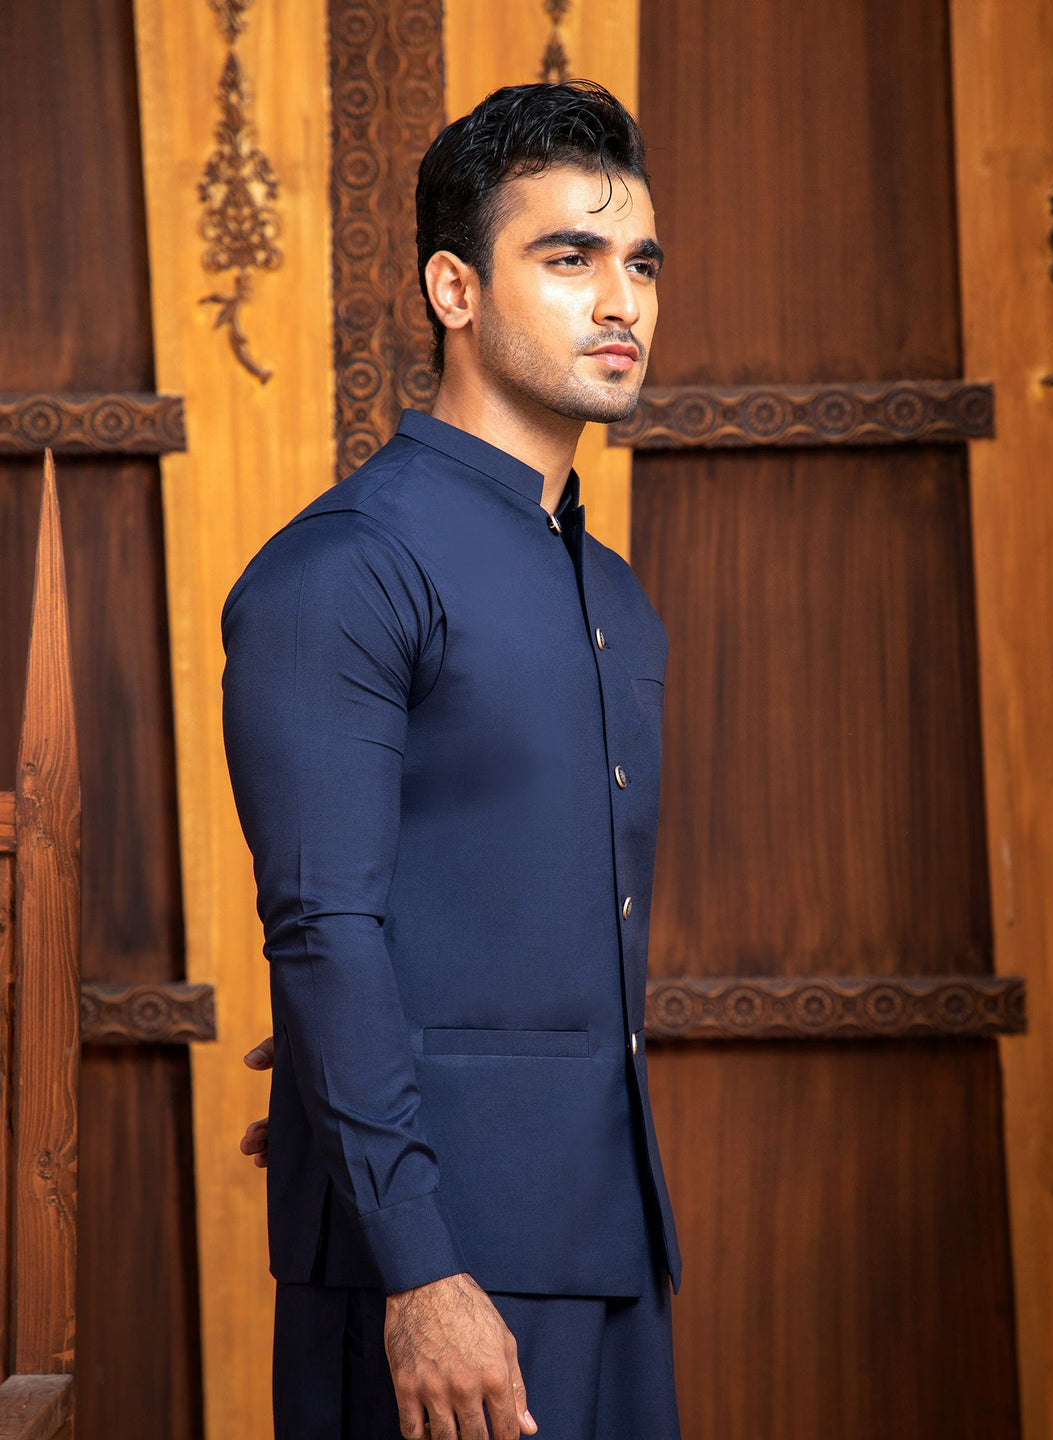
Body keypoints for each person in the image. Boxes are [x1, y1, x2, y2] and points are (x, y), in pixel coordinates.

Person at [223, 79, 682, 1440]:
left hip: (613, 1238)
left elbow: (498, 910)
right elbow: (321, 921)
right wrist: (418, 1265)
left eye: (641, 263)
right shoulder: (347, 568)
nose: (622, 302)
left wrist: (341, 1059)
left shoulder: (613, 595)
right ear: (454, 289)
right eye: (570, 258)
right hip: (433, 1272)